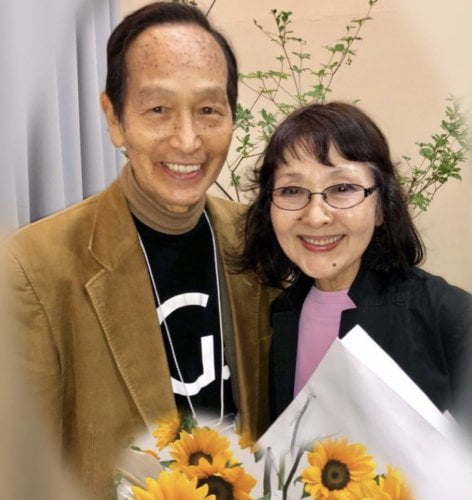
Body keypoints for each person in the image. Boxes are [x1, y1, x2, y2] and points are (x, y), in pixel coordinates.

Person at [7, 2, 275, 498]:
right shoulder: (34, 266)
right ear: (114, 118)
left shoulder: (256, 240)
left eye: (209, 110)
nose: (188, 140)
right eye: (158, 110)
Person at [241, 101, 472, 423]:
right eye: (292, 190)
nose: (315, 216)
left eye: (342, 188)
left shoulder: (455, 318)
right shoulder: (278, 315)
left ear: (381, 206)